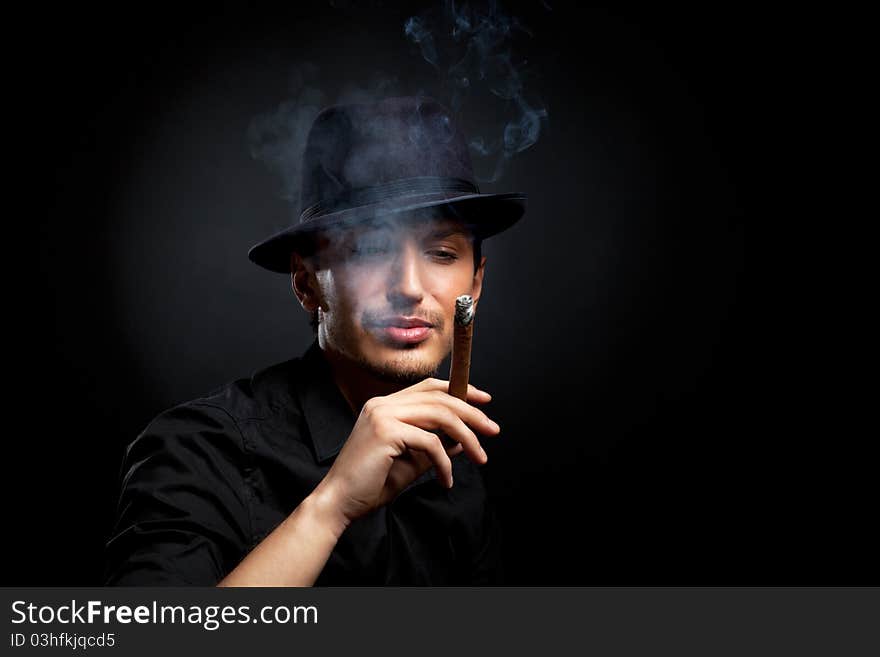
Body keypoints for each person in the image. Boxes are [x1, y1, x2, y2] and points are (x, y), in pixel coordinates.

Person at [104, 97, 526, 585]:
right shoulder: (199, 450)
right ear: (306, 282)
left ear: (474, 284)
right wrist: (331, 507)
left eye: (441, 252)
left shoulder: (460, 464)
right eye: (370, 249)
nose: (409, 285)